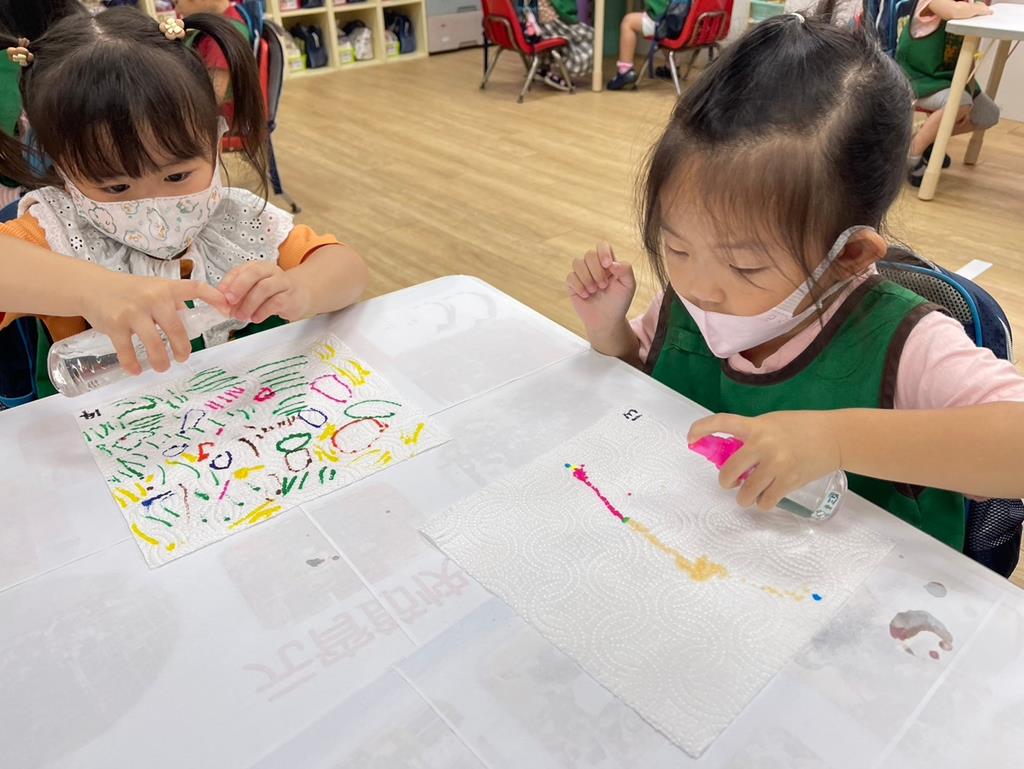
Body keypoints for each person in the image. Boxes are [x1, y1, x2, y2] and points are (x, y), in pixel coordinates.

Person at [566, 6, 1024, 552]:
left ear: (848, 254)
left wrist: (834, 439)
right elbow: (650, 389)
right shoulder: (691, 298)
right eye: (677, 247)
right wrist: (611, 332)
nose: (699, 287)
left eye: (745, 267)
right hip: (701, 549)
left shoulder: (903, 342)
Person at [0, 9, 368, 396]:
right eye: (116, 188)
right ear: (64, 170)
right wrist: (92, 290)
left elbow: (350, 270)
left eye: (176, 177)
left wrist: (300, 288)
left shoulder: (235, 219)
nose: (154, 205)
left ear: (214, 141)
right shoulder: (57, 231)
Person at [895, 0, 997, 187]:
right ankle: (912, 153)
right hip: (916, 80)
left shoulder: (966, 6)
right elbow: (952, 11)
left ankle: (926, 139)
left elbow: (967, 59)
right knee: (960, 102)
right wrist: (978, 8)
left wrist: (968, 89)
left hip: (945, 80)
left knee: (988, 114)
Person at [173, 0, 251, 122]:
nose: (177, 10)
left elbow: (215, 95)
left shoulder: (221, 36)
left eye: (177, 2)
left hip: (215, 121)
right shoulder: (216, 25)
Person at [606, 0, 680, 90]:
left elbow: (659, 9)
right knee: (663, 34)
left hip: (666, 21)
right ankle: (671, 67)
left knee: (628, 22)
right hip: (682, 22)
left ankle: (625, 71)